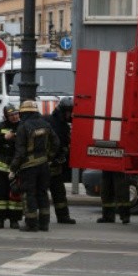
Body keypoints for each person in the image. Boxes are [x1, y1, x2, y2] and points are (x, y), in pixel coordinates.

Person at [9, 100, 60, 232]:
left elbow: (20, 152)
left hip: (28, 167)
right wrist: (49, 157)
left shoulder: (23, 127)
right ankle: (44, 224)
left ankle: (31, 224)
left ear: (24, 113)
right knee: (42, 193)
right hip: (43, 165)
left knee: (29, 194)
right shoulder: (45, 124)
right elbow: (56, 142)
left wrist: (13, 168)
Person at [0, 104, 23, 229]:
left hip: (16, 167)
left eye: (16, 114)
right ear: (6, 117)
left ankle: (14, 220)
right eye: (11, 115)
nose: (15, 117)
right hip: (0, 166)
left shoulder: (22, 126)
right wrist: (3, 137)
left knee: (15, 195)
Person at [43, 96, 77, 224]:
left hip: (56, 165)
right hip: (46, 164)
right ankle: (43, 218)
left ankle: (63, 217)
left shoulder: (62, 124)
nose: (70, 115)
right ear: (63, 111)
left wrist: (62, 155)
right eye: (68, 112)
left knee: (59, 193)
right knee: (43, 193)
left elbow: (64, 143)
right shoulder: (50, 123)